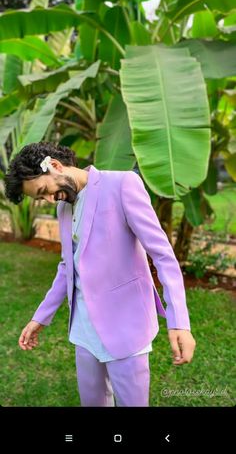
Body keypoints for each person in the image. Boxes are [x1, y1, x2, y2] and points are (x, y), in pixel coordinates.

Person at [4, 142, 196, 407]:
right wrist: (41, 317)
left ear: (55, 166)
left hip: (126, 326)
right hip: (83, 329)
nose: (49, 200)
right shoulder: (64, 207)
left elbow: (163, 255)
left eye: (44, 191)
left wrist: (179, 323)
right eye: (41, 199)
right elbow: (66, 266)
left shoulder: (122, 185)